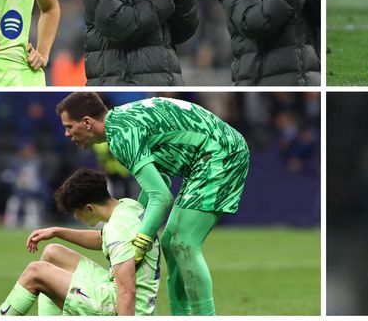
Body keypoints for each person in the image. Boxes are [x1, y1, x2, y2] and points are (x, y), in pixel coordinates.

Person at [56, 93, 250, 315]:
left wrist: (140, 240)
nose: (67, 133)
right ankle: (181, 315)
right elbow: (161, 182)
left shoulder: (121, 136)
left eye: (69, 126)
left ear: (87, 122)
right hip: (208, 154)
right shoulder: (120, 123)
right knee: (169, 243)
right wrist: (137, 222)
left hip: (221, 153)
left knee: (184, 244)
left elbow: (161, 196)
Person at [0, 169, 160, 316]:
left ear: (89, 208)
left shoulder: (118, 229)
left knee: (35, 272)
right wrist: (57, 232)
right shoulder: (127, 206)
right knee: (53, 253)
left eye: (76, 212)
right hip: (116, 289)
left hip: (122, 307)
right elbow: (104, 239)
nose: (76, 217)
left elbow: (127, 291)